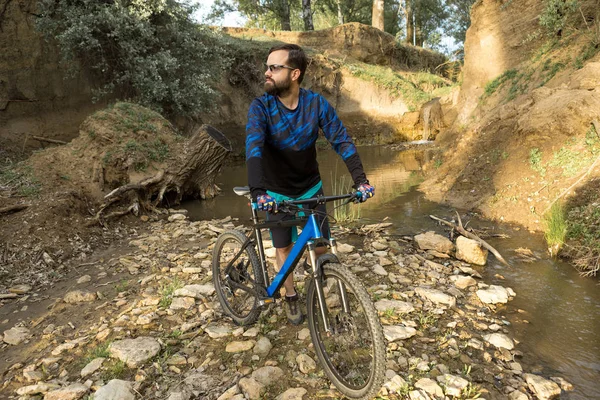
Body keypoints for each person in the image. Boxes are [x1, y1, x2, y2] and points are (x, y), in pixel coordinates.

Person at [245, 43, 374, 325]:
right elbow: (253, 148)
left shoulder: (315, 105)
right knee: (284, 251)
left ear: (294, 74)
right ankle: (290, 296)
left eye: (274, 67)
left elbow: (341, 140)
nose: (266, 73)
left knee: (320, 246)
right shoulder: (261, 108)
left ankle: (312, 265)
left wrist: (361, 181)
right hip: (275, 193)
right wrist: (258, 192)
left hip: (311, 188)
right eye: (267, 67)